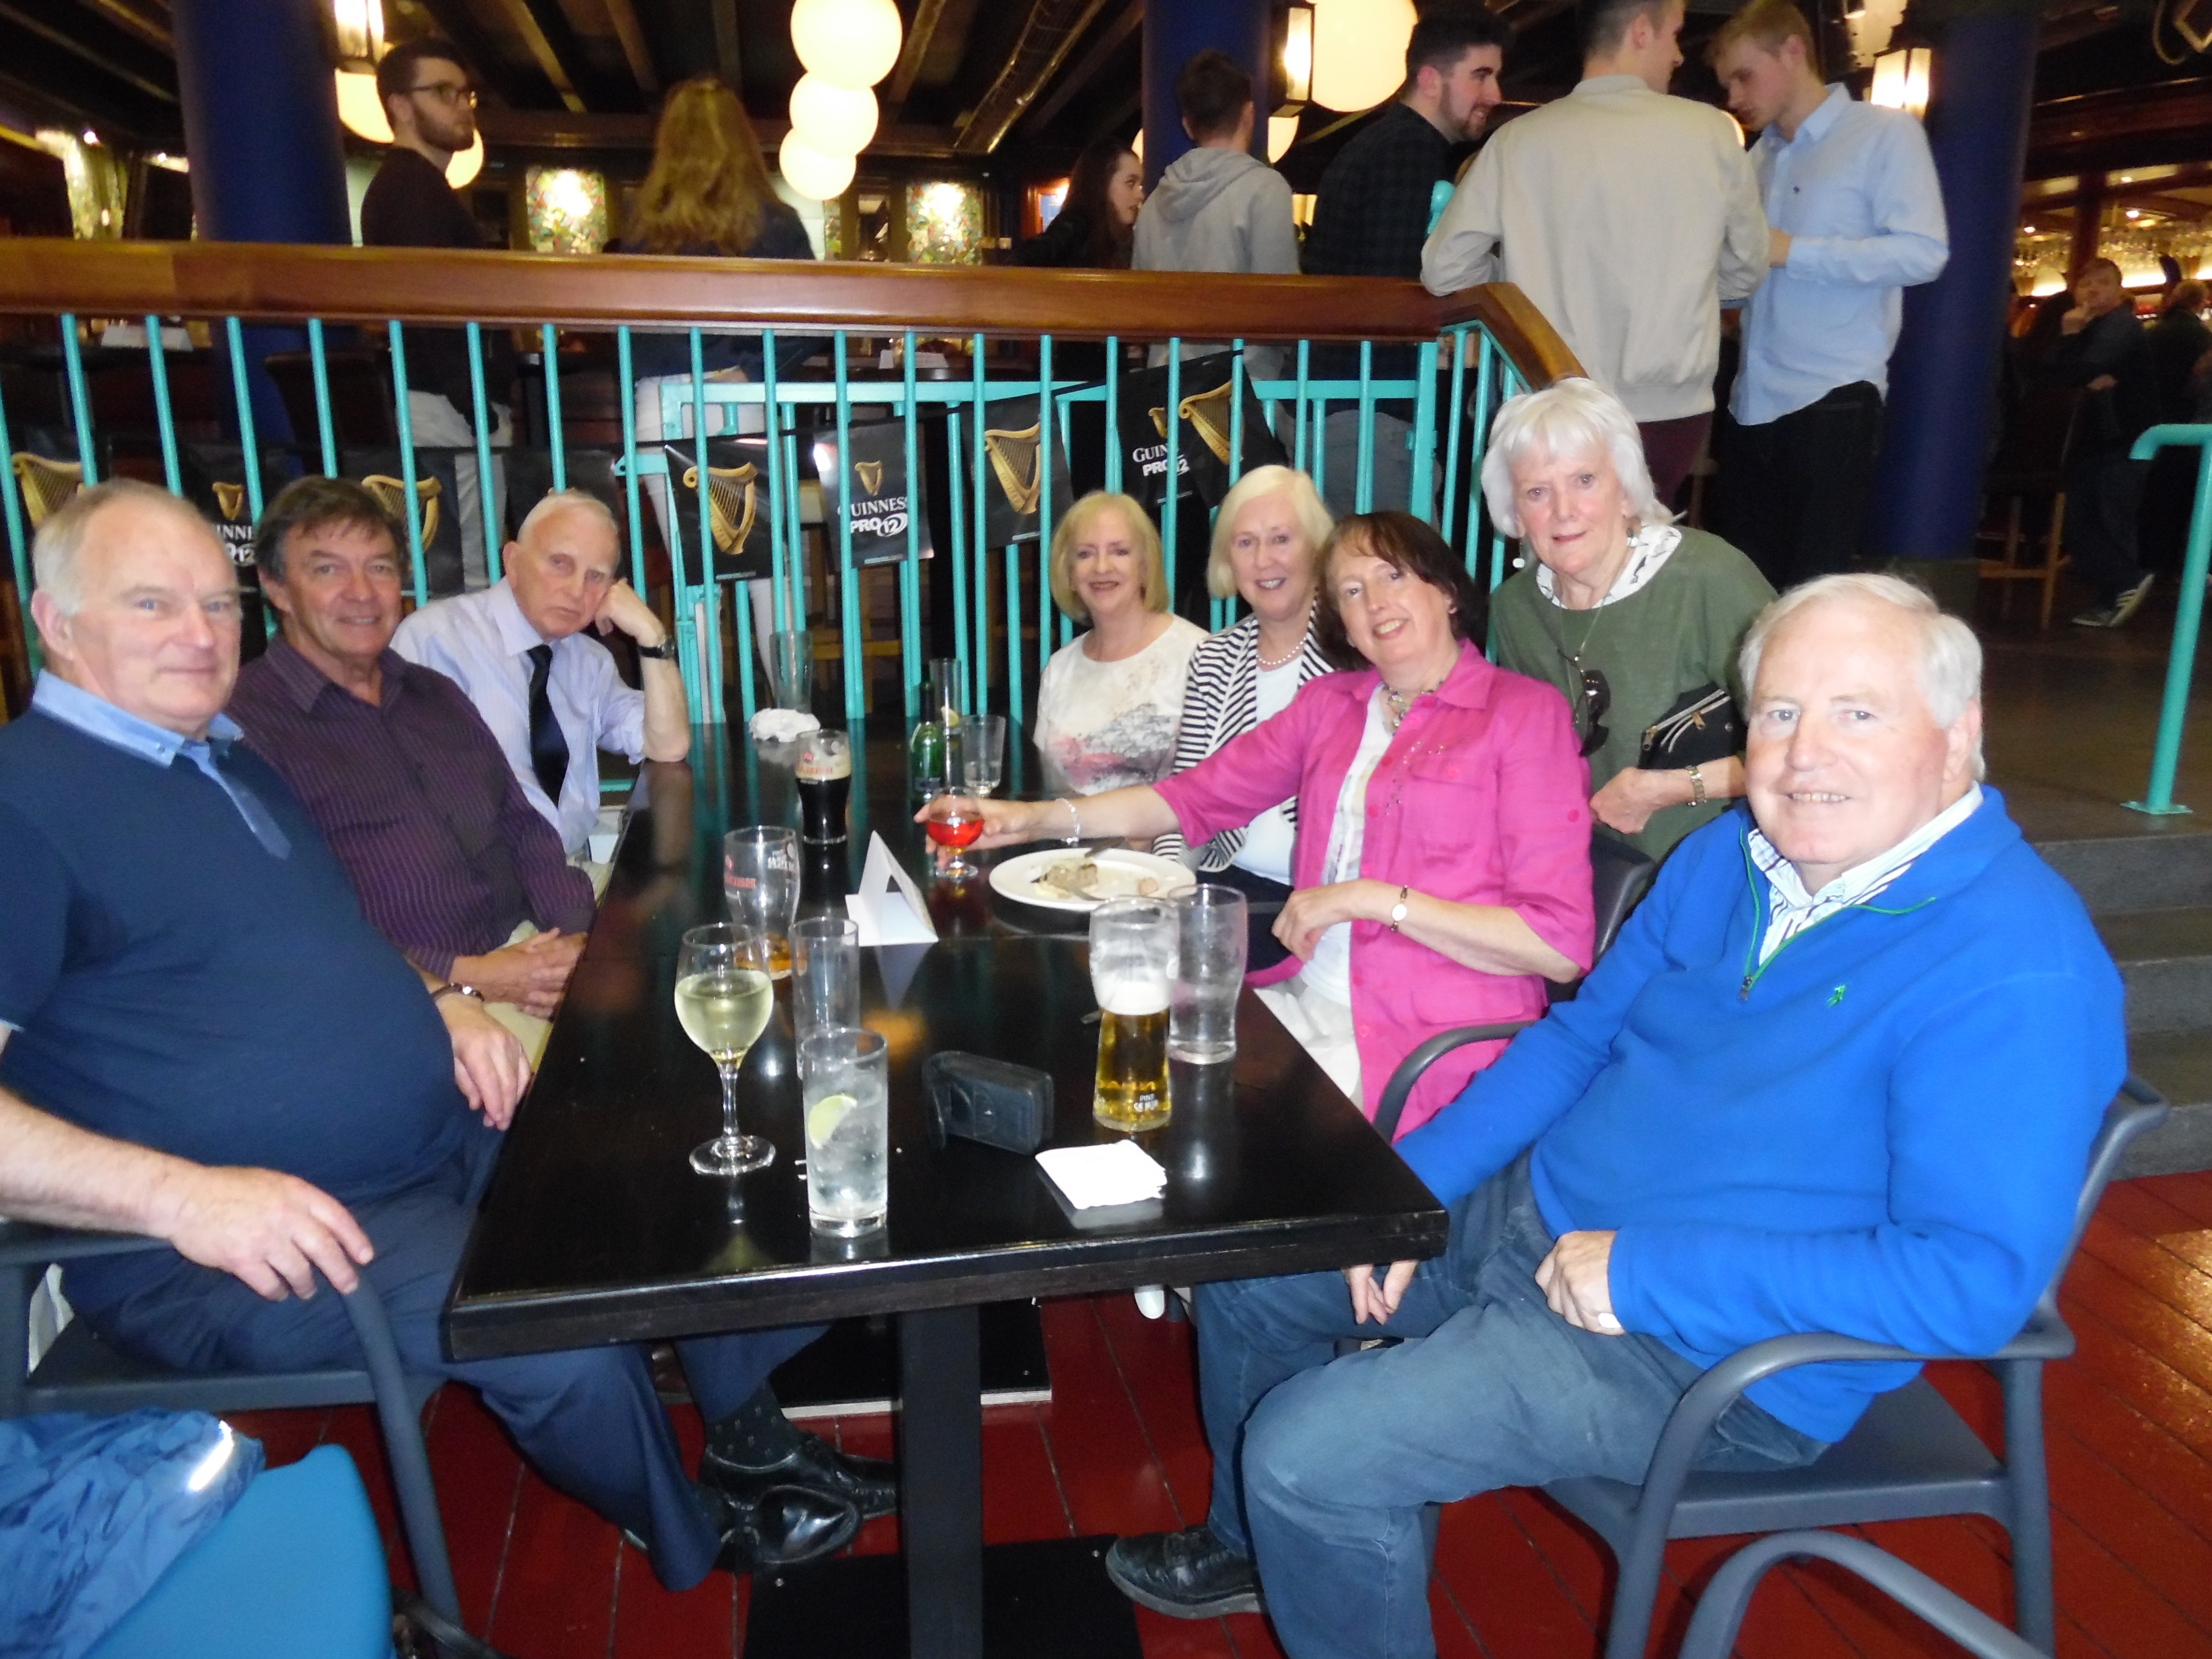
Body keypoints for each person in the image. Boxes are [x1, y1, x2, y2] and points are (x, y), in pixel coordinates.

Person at [1100, 573, 2126, 1656]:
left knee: (1310, 1455)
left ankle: (1300, 1518)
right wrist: (1411, 1192)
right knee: (1256, 1262)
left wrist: (1646, 1272)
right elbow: (1577, 1041)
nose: (1803, 755)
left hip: (1702, 1349)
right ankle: (1259, 1553)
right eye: (1779, 712)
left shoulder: (2016, 968)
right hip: (1541, 1213)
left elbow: (1969, 1283)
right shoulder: (1734, 854)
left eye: (1857, 713)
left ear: (1959, 734)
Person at [0, 481, 895, 1595]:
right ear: (56, 621)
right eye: (151, 603)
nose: (199, 632)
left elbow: (332, 932)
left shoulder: (218, 759)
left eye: (212, 604)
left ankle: (750, 1437)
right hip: (247, 1232)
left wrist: (437, 1001)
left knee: (666, 1168)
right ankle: (689, 1530)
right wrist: (184, 1199)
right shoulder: (26, 801)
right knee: (553, 1329)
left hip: (430, 1134)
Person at [952, 510, 1594, 1135]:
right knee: (1117, 1077)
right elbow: (1192, 797)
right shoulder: (1333, 706)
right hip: (1305, 1000)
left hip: (1426, 1040)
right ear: (1342, 623)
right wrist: (1036, 820)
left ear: (1447, 591)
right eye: (1351, 591)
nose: (1375, 602)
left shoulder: (1522, 714)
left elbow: (1559, 948)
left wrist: (1371, 900)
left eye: (1393, 575)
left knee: (1211, 1135)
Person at [226, 477, 596, 1066]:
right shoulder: (246, 728)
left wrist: (577, 941)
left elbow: (522, 825)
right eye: (327, 570)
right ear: (276, 587)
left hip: (531, 953)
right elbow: (294, 923)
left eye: (378, 568)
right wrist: (471, 978)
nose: (361, 593)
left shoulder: (434, 693)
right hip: (408, 1005)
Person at [1422, 0, 1767, 505]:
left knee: (1555, 540)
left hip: (1549, 402)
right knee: (1644, 541)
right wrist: (1684, 284)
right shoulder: (1712, 133)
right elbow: (1748, 268)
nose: (1679, 55)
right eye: (1675, 34)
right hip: (1669, 409)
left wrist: (1513, 277)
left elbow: (1444, 269)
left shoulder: (1517, 141)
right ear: (1641, 31)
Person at [1708, 0, 1948, 589]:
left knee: (1815, 592)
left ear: (1793, 51)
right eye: (1727, 83)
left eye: (1744, 76)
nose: (1734, 96)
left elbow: (1924, 253)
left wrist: (1793, 250)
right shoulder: (1755, 160)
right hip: (1750, 399)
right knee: (1747, 591)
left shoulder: (1884, 134)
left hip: (1835, 394)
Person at [1484, 380, 1773, 862]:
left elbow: (1809, 744)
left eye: (1585, 481)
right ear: (1514, 514)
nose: (1563, 511)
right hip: (1583, 866)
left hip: (1721, 862)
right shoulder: (1516, 608)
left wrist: (1670, 787)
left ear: (1625, 491)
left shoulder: (1707, 579)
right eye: (1537, 492)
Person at [623, 74, 818, 671]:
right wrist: (755, 368)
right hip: (736, 396)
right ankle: (794, 711)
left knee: (695, 582)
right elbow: (810, 321)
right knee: (771, 573)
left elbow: (626, 335)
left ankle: (699, 720)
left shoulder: (641, 231)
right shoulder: (774, 223)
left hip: (659, 404)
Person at [393, 490, 690, 857]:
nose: (577, 590)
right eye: (560, 564)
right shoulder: (437, 640)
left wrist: (652, 635)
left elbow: (668, 745)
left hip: (571, 869)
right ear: (514, 562)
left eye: (596, 576)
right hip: (476, 874)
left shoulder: (589, 662)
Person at [1303, 3, 1510, 518]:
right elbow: (1398, 291)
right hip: (1370, 410)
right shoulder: (1408, 152)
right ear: (1430, 79)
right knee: (1394, 560)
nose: (1495, 94)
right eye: (1480, 75)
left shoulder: (1385, 144)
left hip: (1347, 404)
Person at [1154, 467, 1341, 971]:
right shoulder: (1214, 657)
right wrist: (1165, 887)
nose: (1263, 561)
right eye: (1245, 543)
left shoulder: (1354, 651)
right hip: (1227, 888)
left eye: (1281, 539)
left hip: (1321, 903)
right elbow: (1187, 800)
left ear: (1317, 549)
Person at [360, 38, 513, 593]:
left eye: (465, 93)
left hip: (447, 401)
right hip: (447, 404)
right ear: (400, 105)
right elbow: (429, 311)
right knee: (465, 570)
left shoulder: (416, 187)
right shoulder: (409, 191)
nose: (462, 106)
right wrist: (476, 406)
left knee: (461, 566)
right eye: (443, 92)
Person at [1132, 47, 1301, 370]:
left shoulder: (1153, 205)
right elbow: (1283, 309)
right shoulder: (1266, 190)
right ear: (1249, 114)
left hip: (1168, 386)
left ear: (1188, 125)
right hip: (1243, 389)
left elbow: (1141, 307)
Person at [1033, 492, 1208, 795]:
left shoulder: (1200, 656)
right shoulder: (1059, 668)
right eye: (1085, 554)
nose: (1102, 567)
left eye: (1120, 552)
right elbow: (1044, 790)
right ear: (1069, 574)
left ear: (1145, 566)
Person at [2040, 258, 2158, 628]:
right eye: (2086, 283)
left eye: (2103, 283)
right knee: (2084, 523)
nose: (2093, 290)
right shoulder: (2090, 328)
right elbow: (2050, 376)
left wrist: (2073, 353)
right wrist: (2076, 361)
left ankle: (2124, 584)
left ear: (2120, 291)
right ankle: (2117, 590)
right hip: (2099, 440)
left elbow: (2078, 369)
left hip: (2120, 439)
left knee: (2105, 520)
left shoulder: (2120, 326)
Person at [2139, 278, 2210, 578]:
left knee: (2155, 497)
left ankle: (2151, 562)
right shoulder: (2201, 337)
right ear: (2200, 303)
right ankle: (2185, 566)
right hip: (2190, 431)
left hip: (2151, 426)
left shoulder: (2153, 332)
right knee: (2186, 500)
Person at [1017, 134, 1143, 271]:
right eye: (1131, 183)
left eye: (1140, 185)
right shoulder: (1076, 225)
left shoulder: (1125, 240)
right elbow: (1023, 261)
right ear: (1102, 183)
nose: (1140, 195)